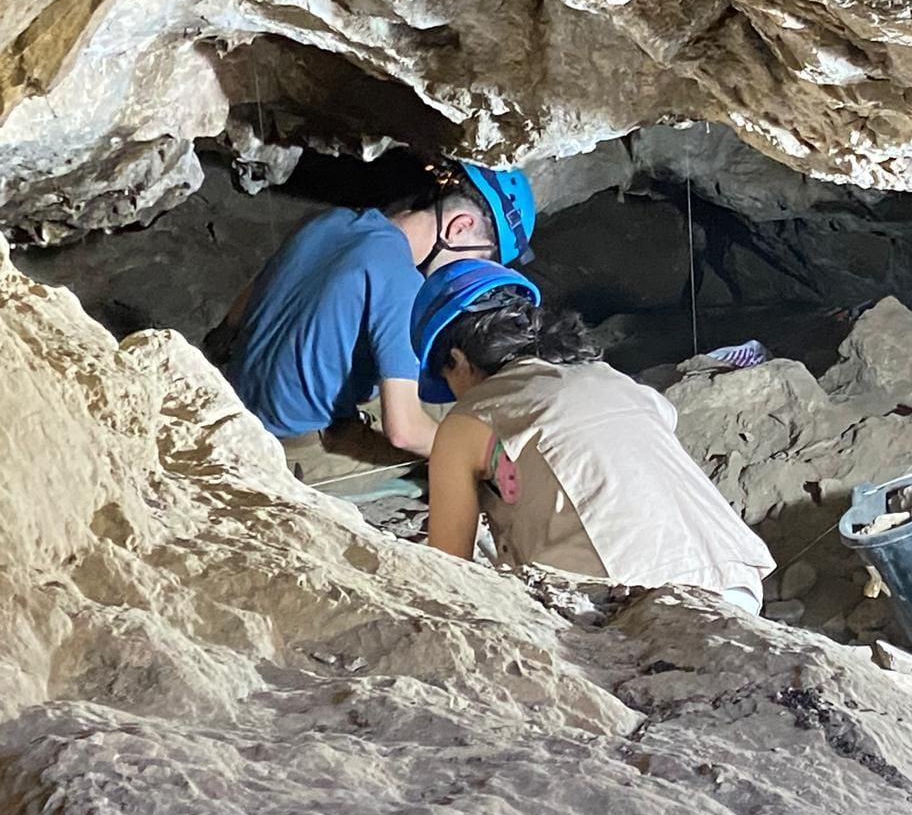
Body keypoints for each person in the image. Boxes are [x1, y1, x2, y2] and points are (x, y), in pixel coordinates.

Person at [410, 259, 774, 611]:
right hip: (736, 579)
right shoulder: (613, 380)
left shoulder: (469, 417)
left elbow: (449, 573)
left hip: (637, 596)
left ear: (456, 359)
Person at [211, 160, 536, 469]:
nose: (469, 272)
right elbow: (404, 430)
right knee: (444, 433)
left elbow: (238, 313)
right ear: (460, 227)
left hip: (233, 399)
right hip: (290, 442)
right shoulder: (403, 285)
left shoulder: (333, 220)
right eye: (479, 258)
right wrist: (491, 462)